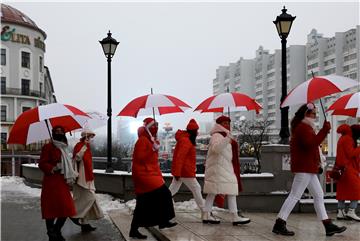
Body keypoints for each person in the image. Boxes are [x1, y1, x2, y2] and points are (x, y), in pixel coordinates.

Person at [272, 103, 346, 236]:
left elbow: (311, 146)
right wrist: (324, 131)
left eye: (316, 113)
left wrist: (317, 162)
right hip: (304, 167)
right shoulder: (303, 127)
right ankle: (279, 223)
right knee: (295, 195)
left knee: (318, 195)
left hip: (308, 167)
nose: (315, 116)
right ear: (306, 114)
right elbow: (310, 144)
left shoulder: (306, 127)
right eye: (313, 113)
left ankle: (327, 225)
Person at [129, 117, 177, 239]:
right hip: (144, 174)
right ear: (148, 128)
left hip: (149, 173)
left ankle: (134, 229)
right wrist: (152, 149)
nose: (156, 128)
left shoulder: (149, 140)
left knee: (143, 203)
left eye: (157, 125)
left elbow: (151, 159)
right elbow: (140, 157)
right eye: (154, 126)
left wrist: (154, 147)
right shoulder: (143, 140)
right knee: (164, 193)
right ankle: (163, 221)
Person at [202, 115, 251, 225]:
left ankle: (206, 214)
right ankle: (234, 216)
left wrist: (229, 138)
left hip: (222, 167)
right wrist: (227, 139)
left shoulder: (224, 135)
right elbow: (216, 149)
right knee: (230, 189)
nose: (227, 125)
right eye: (224, 123)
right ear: (219, 124)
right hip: (218, 168)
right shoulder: (217, 135)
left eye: (228, 123)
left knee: (213, 191)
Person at [39, 126, 78, 241]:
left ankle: (56, 231)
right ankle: (52, 235)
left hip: (62, 181)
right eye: (57, 132)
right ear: (53, 133)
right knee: (51, 209)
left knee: (67, 208)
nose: (59, 133)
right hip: (51, 181)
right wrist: (53, 167)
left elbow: (68, 163)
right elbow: (42, 163)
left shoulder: (65, 148)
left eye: (61, 131)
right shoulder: (47, 147)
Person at [169, 119, 205, 215]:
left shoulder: (185, 139)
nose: (197, 133)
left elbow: (179, 158)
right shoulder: (186, 141)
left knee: (171, 191)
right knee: (196, 188)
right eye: (196, 131)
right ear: (192, 132)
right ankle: (205, 213)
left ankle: (156, 206)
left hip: (181, 171)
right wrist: (177, 173)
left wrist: (177, 172)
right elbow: (180, 158)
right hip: (185, 171)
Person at [70, 129, 104, 231]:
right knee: (89, 198)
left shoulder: (87, 147)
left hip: (87, 177)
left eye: (91, 137)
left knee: (84, 200)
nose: (90, 139)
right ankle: (73, 214)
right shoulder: (80, 145)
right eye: (89, 137)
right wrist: (84, 146)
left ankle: (84, 224)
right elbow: (77, 158)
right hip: (81, 178)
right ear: (85, 137)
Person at [335, 124, 360, 221]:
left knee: (343, 190)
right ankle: (351, 211)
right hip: (349, 169)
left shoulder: (343, 138)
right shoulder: (348, 139)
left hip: (342, 168)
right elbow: (351, 153)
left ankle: (341, 212)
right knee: (357, 190)